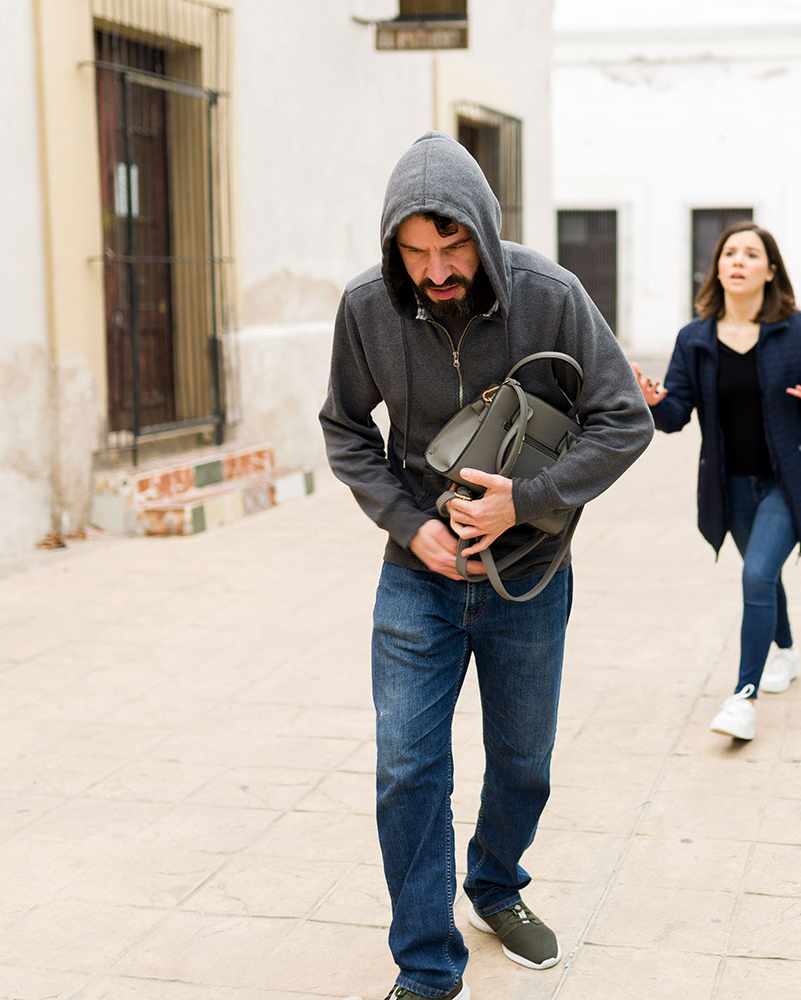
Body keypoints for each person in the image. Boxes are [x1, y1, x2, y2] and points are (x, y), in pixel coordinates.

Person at [320, 132, 653, 1000]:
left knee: (522, 762)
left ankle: (496, 886)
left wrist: (528, 498)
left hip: (531, 574)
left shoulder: (552, 294)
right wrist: (405, 523)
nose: (435, 270)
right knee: (407, 767)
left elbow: (625, 420)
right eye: (415, 251)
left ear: (483, 228)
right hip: (417, 575)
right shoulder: (366, 309)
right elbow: (347, 431)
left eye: (453, 245)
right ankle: (427, 968)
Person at [632, 220, 801, 741]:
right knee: (763, 575)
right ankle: (786, 652)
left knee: (755, 577)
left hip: (787, 484)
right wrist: (655, 402)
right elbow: (678, 414)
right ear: (718, 268)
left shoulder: (795, 329)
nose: (738, 261)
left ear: (770, 271)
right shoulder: (695, 339)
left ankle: (742, 699)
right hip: (730, 486)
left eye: (751, 254)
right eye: (730, 253)